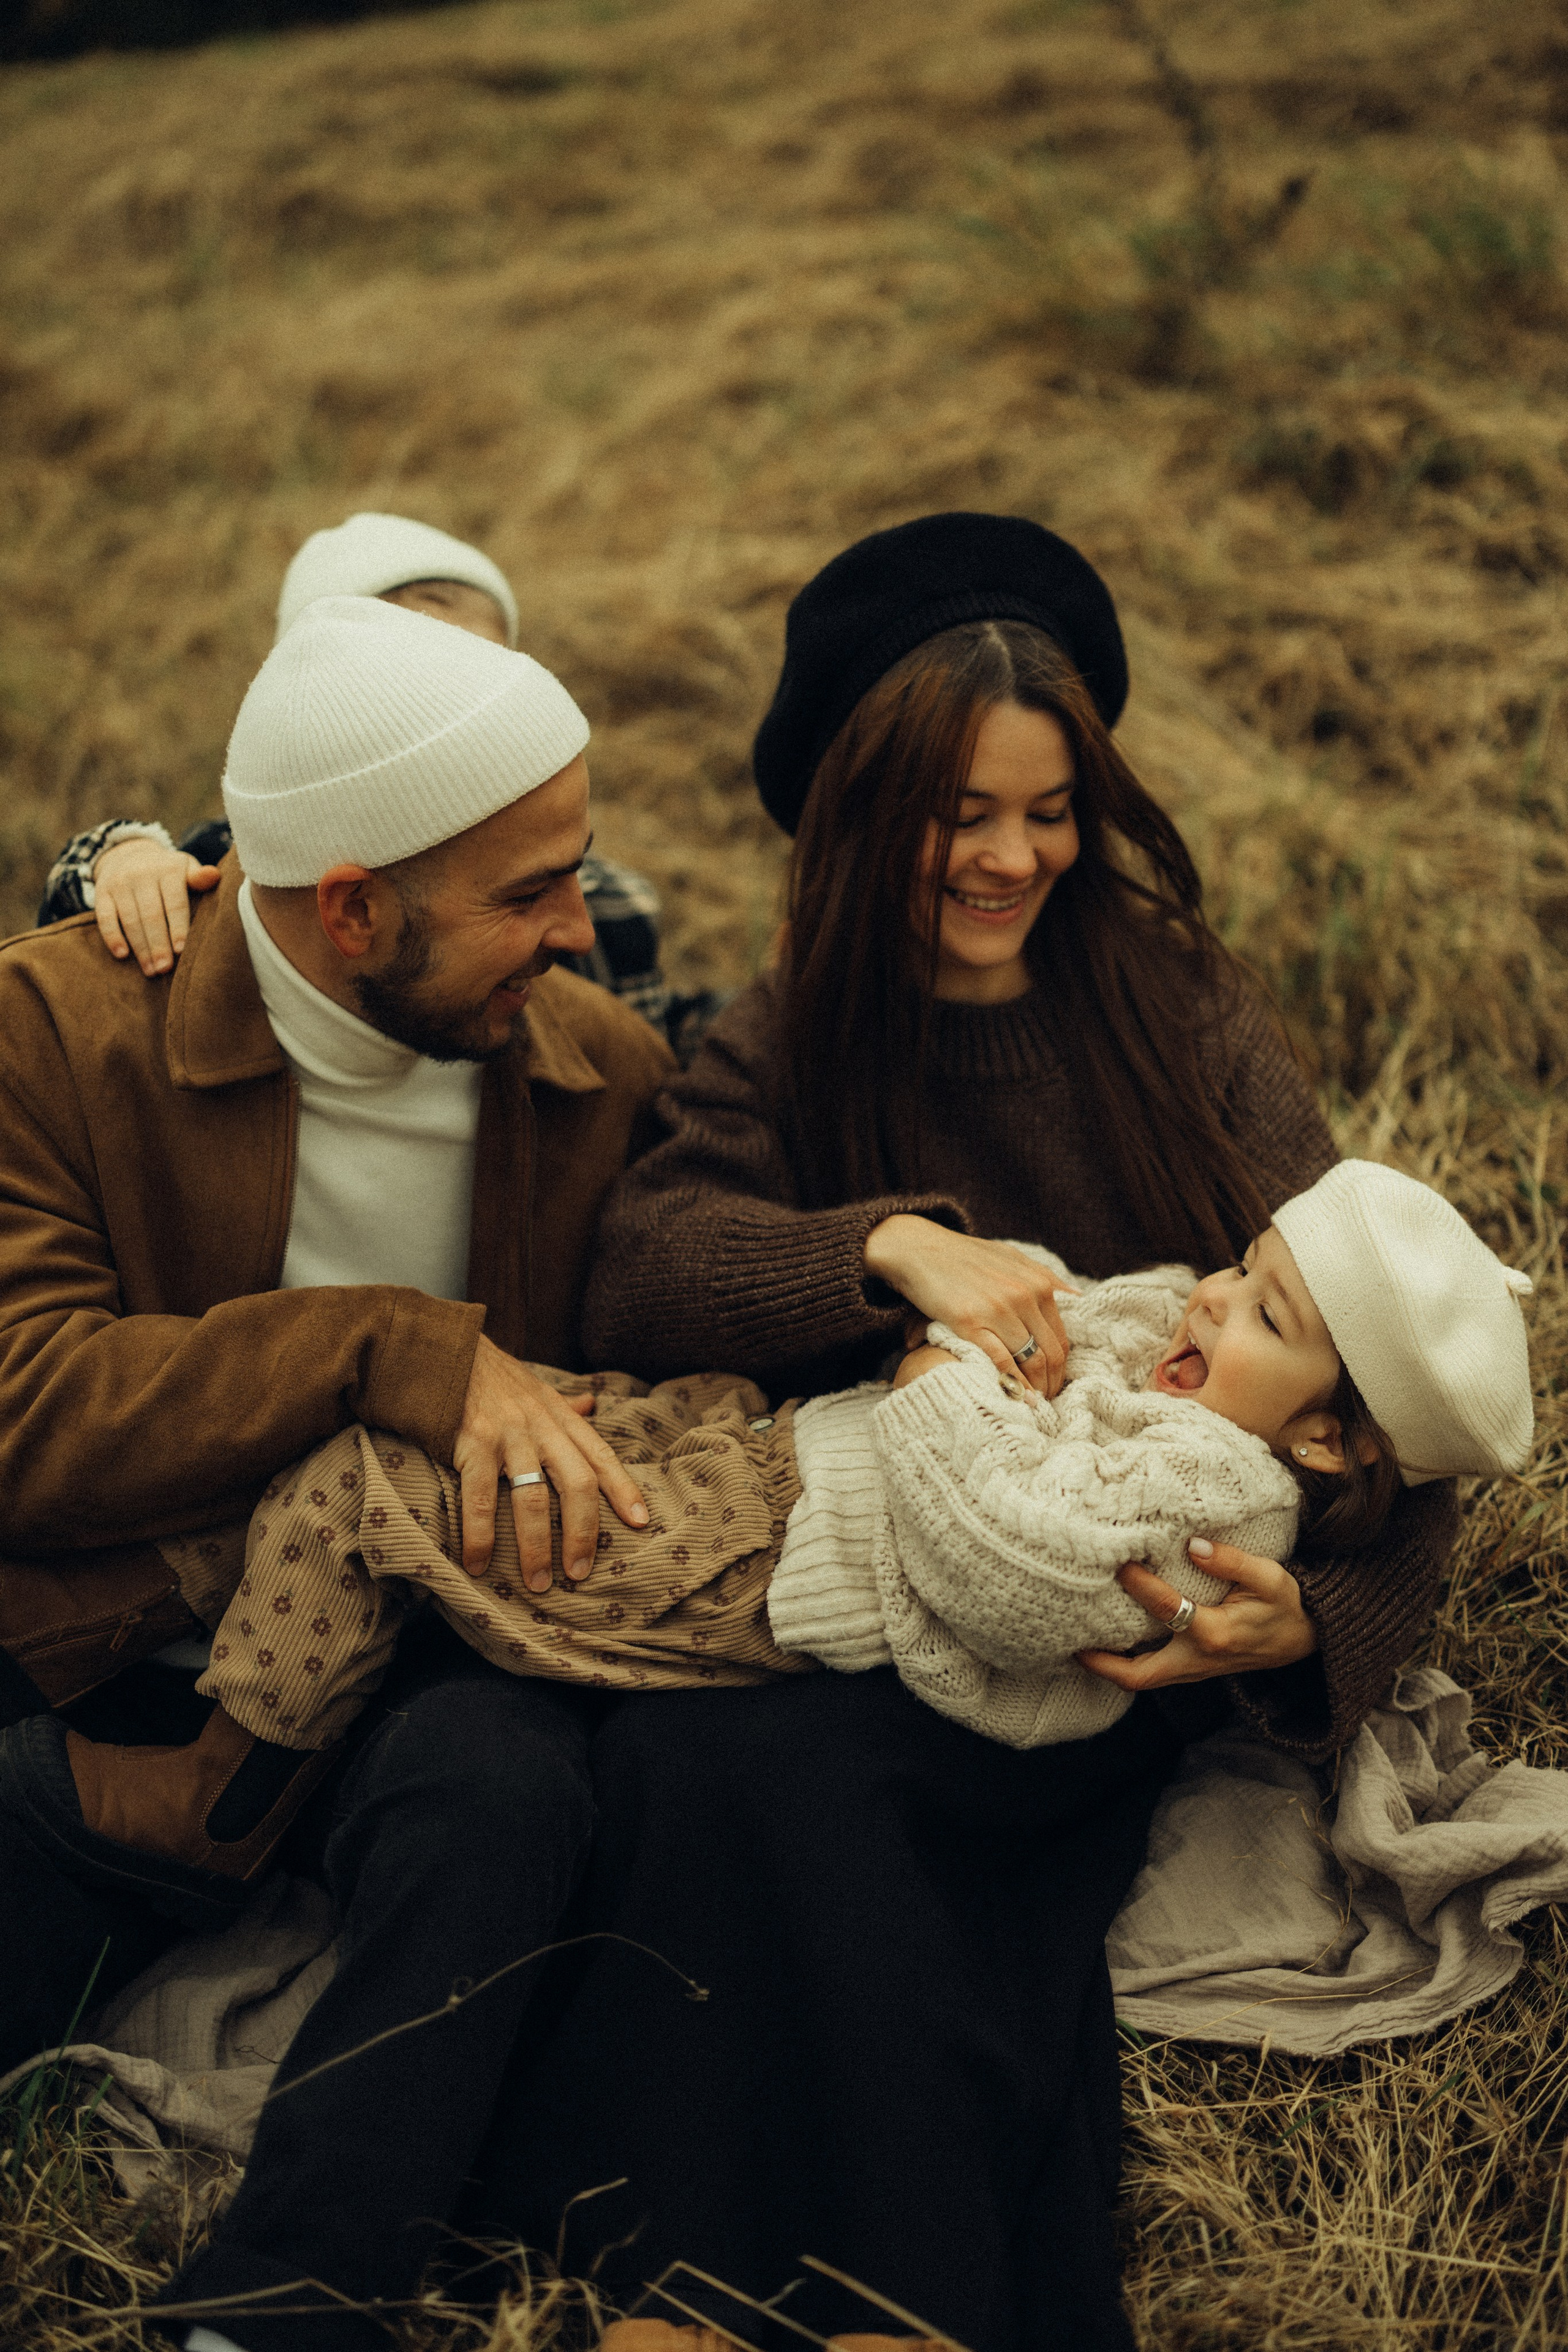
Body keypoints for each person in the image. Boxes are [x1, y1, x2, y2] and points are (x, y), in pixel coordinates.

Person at [462, 514, 1465, 2350]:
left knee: (872, 1817)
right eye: (960, 813)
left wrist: (1321, 1627)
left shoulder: (1180, 1013)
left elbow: (1389, 1399)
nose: (1012, 857)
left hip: (1084, 1645)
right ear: (860, 809)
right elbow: (638, 1271)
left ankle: (888, 2301)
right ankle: (699, 2294)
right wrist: (882, 1246)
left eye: (1051, 807)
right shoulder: (786, 1037)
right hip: (858, 1592)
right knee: (699, 1784)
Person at [0, 594, 676, 2352]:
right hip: (93, 1652)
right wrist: (389, 1345)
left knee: (508, 1794)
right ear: (351, 904)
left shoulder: (599, 1077)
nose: (577, 929)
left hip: (406, 1665)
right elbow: (27, 1416)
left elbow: (710, 1294)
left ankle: (282, 2307)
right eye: (528, 895)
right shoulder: (55, 1034)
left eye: (575, 873)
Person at [48, 1158, 1532, 1888]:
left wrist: (942, 1364)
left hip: (752, 1567)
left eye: (1259, 1307)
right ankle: (111, 1614)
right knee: (490, 1414)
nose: (1206, 1294)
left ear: (1330, 1434)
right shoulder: (1189, 1357)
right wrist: (988, 1287)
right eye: (1236, 1261)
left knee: (379, 1481)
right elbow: (1074, 1298)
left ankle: (227, 1784)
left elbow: (1003, 1556)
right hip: (754, 1456)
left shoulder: (1213, 1495)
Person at [36, 510, 722, 1061]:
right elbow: (91, 939)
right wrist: (119, 857)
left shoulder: (607, 910)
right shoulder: (241, 877)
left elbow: (659, 1056)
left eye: (480, 672)